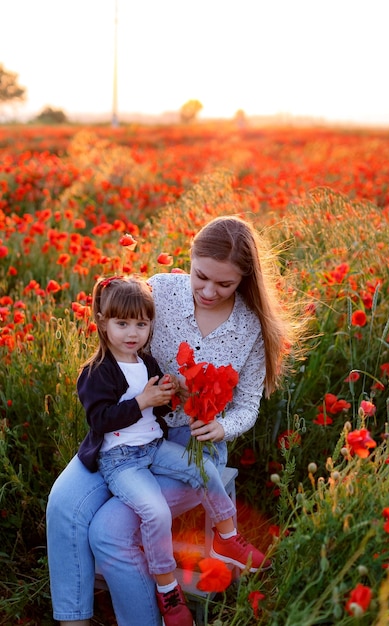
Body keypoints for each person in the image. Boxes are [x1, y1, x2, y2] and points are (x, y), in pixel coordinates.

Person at [46, 215, 297, 625]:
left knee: (109, 532)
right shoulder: (161, 290)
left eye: (225, 284)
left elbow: (249, 402)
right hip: (125, 434)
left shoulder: (251, 325)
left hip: (190, 444)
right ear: (190, 257)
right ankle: (74, 618)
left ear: (245, 280)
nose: (209, 291)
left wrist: (223, 426)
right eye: (201, 276)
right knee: (65, 505)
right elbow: (117, 314)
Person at [75, 274, 270, 626]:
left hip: (153, 446)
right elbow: (101, 419)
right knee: (157, 513)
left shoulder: (145, 363)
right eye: (122, 324)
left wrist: (170, 396)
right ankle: (167, 591)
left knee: (205, 470)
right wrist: (142, 401)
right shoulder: (95, 372)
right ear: (103, 324)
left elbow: (156, 411)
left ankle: (227, 538)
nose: (132, 333)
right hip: (122, 463)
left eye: (141, 324)